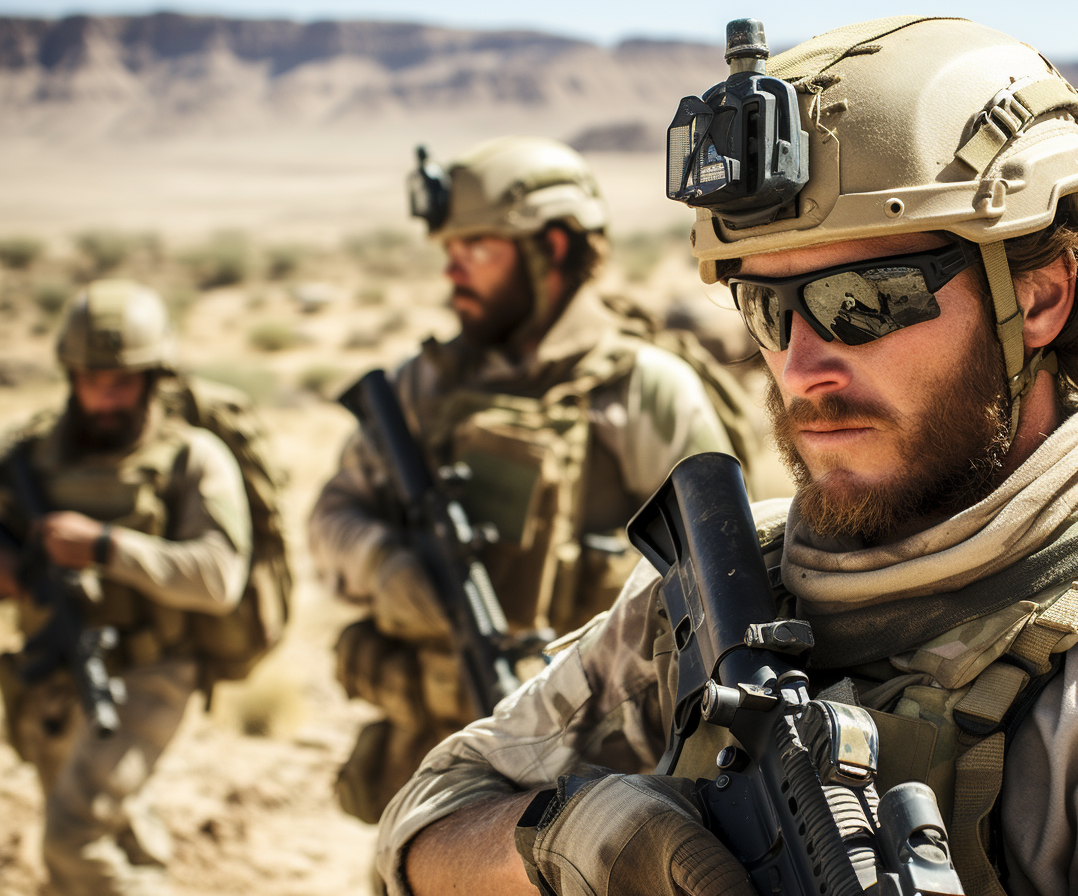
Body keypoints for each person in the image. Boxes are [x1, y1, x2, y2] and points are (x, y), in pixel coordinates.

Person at [372, 15, 1078, 896]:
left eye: (865, 302)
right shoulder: (729, 590)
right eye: (766, 307)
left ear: (1041, 297)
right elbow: (417, 829)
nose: (801, 368)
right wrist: (567, 835)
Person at [308, 135, 752, 825]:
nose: (452, 269)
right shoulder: (421, 388)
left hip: (594, 764)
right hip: (431, 746)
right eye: (448, 250)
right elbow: (332, 516)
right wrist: (384, 564)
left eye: (477, 247)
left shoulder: (641, 390)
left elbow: (718, 580)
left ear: (553, 248)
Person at [0, 280, 254, 896]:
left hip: (149, 675)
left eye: (122, 381)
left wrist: (106, 548)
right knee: (110, 826)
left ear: (153, 378)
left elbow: (220, 577)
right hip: (49, 670)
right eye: (92, 379)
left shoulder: (193, 458)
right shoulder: (28, 455)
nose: (105, 397)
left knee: (72, 836)